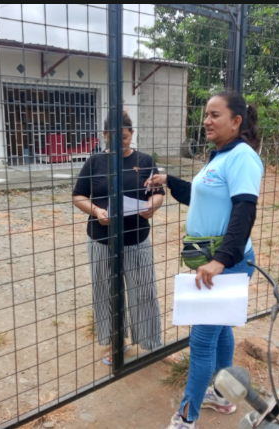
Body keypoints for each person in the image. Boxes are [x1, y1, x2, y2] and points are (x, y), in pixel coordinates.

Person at [145, 91, 263, 429]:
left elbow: (244, 212)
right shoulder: (220, 155)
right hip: (215, 261)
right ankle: (223, 396)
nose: (206, 121)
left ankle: (186, 417)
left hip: (226, 263)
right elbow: (200, 197)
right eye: (206, 114)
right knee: (220, 331)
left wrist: (221, 261)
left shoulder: (242, 157)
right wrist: (169, 181)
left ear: (236, 121)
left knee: (201, 341)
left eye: (214, 115)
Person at [72, 111, 165, 365]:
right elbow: (78, 196)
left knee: (144, 290)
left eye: (124, 137)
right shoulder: (95, 162)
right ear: (104, 135)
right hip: (101, 239)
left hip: (136, 238)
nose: (119, 142)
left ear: (131, 134)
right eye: (113, 137)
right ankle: (116, 341)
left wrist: (152, 206)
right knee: (106, 292)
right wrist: (96, 211)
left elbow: (158, 192)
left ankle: (152, 343)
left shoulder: (145, 161)